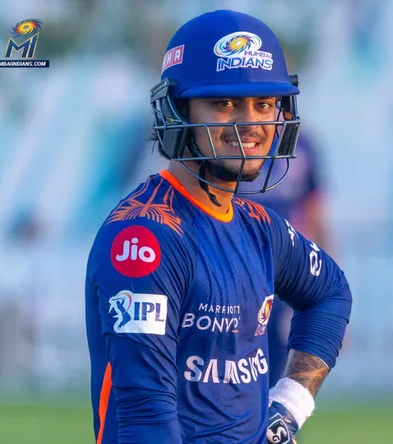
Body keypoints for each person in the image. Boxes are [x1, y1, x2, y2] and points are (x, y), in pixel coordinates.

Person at [85, 9, 352, 444]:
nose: (249, 123)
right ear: (177, 109)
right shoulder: (144, 237)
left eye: (264, 104)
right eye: (224, 103)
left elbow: (331, 293)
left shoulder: (260, 227)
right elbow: (146, 414)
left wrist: (289, 407)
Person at [240, 129, 331, 388]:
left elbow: (315, 213)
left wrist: (324, 282)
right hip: (235, 267)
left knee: (279, 368)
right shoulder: (233, 138)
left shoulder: (302, 144)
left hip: (283, 274)